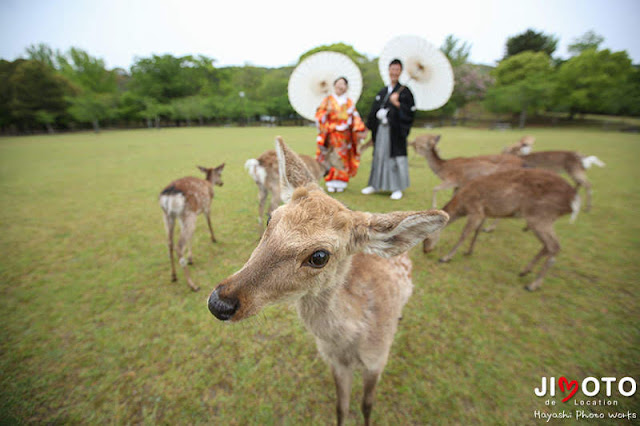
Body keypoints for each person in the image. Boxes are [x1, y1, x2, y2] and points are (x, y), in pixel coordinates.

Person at [361, 59, 416, 200]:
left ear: (401, 71)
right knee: (379, 156)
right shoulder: (383, 91)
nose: (394, 72)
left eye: (397, 69)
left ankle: (397, 188)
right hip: (381, 131)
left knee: (394, 158)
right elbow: (373, 111)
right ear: (388, 70)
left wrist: (398, 104)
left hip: (395, 133)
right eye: (392, 69)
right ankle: (375, 184)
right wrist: (369, 126)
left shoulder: (405, 92)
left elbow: (410, 113)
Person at [315, 77, 368, 193]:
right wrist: (326, 113)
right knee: (331, 156)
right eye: (338, 84)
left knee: (342, 158)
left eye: (343, 84)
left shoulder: (348, 102)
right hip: (331, 134)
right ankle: (330, 180)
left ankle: (341, 181)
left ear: (346, 87)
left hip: (345, 135)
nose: (340, 86)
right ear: (334, 86)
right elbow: (319, 115)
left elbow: (355, 117)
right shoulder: (328, 100)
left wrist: (360, 129)